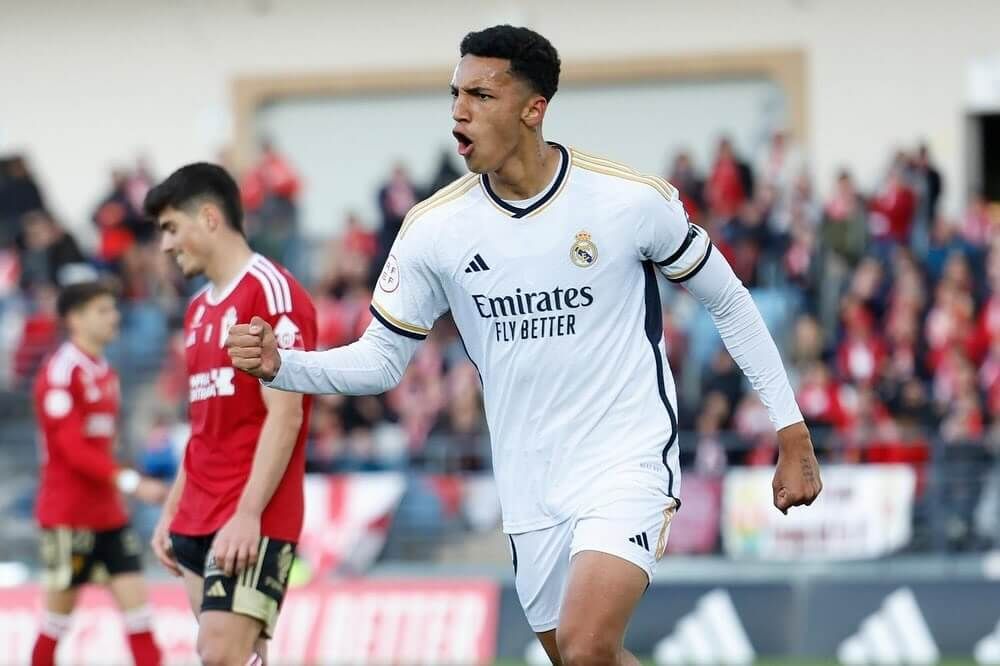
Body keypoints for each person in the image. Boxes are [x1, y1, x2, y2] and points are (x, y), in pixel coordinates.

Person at [226, 25, 822, 666]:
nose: (459, 110)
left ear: (533, 109)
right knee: (579, 657)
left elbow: (729, 300)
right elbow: (380, 361)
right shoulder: (434, 231)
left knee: (588, 646)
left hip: (625, 456)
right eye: (455, 93)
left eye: (481, 94)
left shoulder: (628, 201)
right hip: (529, 481)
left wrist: (791, 430)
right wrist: (284, 365)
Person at [144, 163, 317, 666]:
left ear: (210, 218)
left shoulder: (271, 291)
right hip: (196, 515)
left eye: (172, 228)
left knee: (219, 656)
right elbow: (203, 429)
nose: (166, 245)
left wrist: (248, 514)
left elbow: (285, 416)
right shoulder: (198, 310)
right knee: (241, 659)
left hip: (250, 516)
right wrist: (171, 510)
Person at [31, 281, 167, 666]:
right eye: (103, 311)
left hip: (109, 516)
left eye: (113, 309)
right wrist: (131, 482)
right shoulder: (61, 371)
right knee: (56, 621)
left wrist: (124, 481)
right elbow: (72, 450)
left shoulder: (106, 371)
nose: (114, 317)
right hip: (67, 517)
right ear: (75, 319)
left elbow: (104, 446)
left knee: (139, 613)